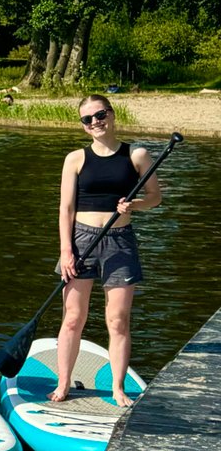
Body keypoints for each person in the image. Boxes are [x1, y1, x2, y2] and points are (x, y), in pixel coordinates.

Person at [54, 94, 161, 409]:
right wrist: (67, 251)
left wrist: (136, 204)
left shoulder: (136, 155)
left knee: (117, 320)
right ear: (84, 127)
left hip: (120, 240)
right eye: (87, 119)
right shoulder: (75, 159)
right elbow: (66, 208)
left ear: (111, 115)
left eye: (99, 115)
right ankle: (63, 384)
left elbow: (155, 197)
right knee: (73, 318)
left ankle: (117, 388)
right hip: (80, 242)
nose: (95, 122)